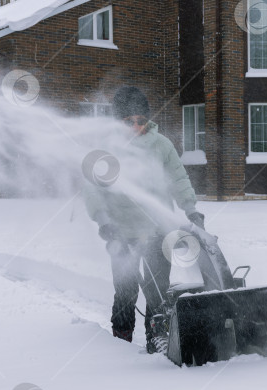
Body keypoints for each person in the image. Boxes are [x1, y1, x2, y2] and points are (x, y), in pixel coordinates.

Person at [84, 86, 205, 353]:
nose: (136, 126)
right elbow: (91, 188)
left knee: (158, 289)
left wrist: (191, 209)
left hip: (157, 230)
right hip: (121, 232)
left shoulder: (161, 145)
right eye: (129, 121)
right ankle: (120, 339)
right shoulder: (105, 149)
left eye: (141, 120)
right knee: (126, 290)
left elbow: (178, 178)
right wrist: (105, 222)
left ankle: (158, 338)